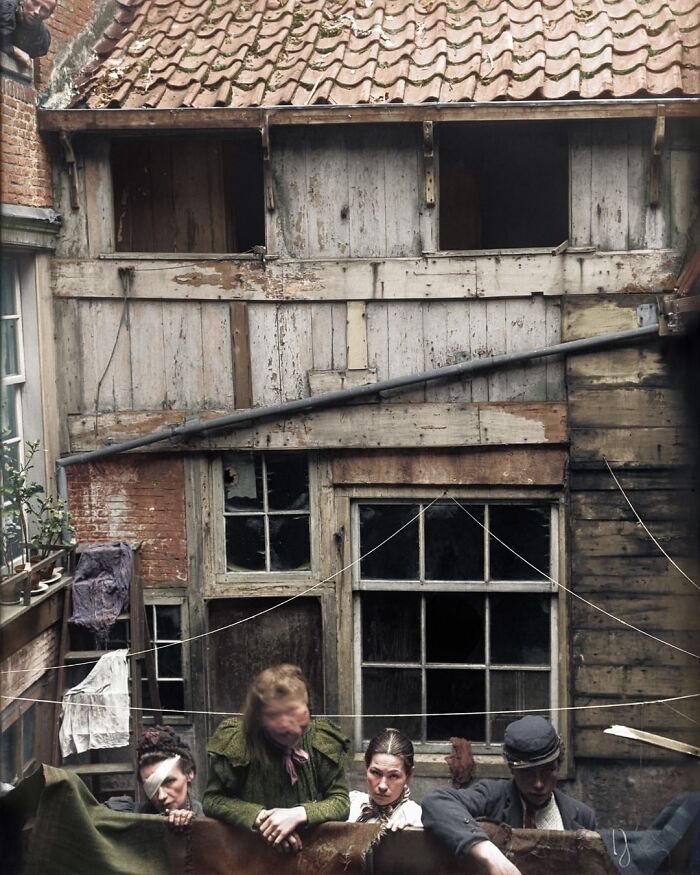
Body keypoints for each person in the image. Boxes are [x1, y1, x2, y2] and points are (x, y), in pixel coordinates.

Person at [203, 663, 350, 853]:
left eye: (295, 713)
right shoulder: (238, 741)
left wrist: (297, 815)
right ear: (259, 716)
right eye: (275, 715)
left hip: (309, 853)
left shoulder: (319, 740)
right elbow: (213, 800)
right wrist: (264, 820)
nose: (289, 726)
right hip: (250, 854)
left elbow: (340, 801)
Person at [422, 715, 596, 875]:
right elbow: (436, 802)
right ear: (512, 769)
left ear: (559, 764)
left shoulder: (582, 816)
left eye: (547, 771)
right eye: (528, 773)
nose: (538, 784)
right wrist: (485, 849)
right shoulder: (492, 797)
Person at [106, 725, 203, 830]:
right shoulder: (133, 816)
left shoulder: (208, 817)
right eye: (150, 787)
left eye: (169, 781)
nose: (161, 796)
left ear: (189, 774)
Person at [349, 727, 422, 830]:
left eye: (393, 776)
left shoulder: (415, 818)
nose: (382, 786)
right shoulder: (349, 805)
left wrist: (414, 834)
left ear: (409, 775)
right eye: (375, 773)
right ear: (366, 768)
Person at [0, 0, 55, 68]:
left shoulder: (42, 38)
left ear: (49, 15)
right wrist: (15, 51)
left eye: (44, 10)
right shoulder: (4, 8)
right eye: (34, 3)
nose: (37, 11)